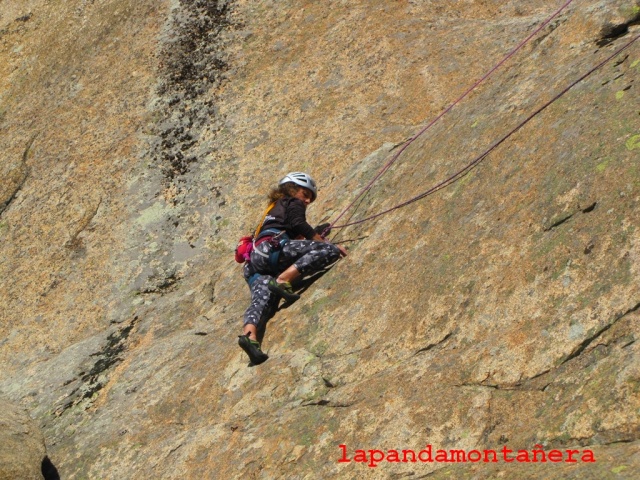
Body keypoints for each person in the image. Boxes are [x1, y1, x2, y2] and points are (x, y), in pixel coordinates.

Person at [238, 172, 348, 365]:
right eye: (305, 194)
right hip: (272, 250)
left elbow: (290, 229)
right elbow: (299, 223)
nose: (306, 201)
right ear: (290, 189)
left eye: (309, 199)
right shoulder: (291, 202)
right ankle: (283, 279)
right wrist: (323, 242)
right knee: (329, 251)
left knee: (262, 302)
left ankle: (250, 336)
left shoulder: (272, 210)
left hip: (254, 264)